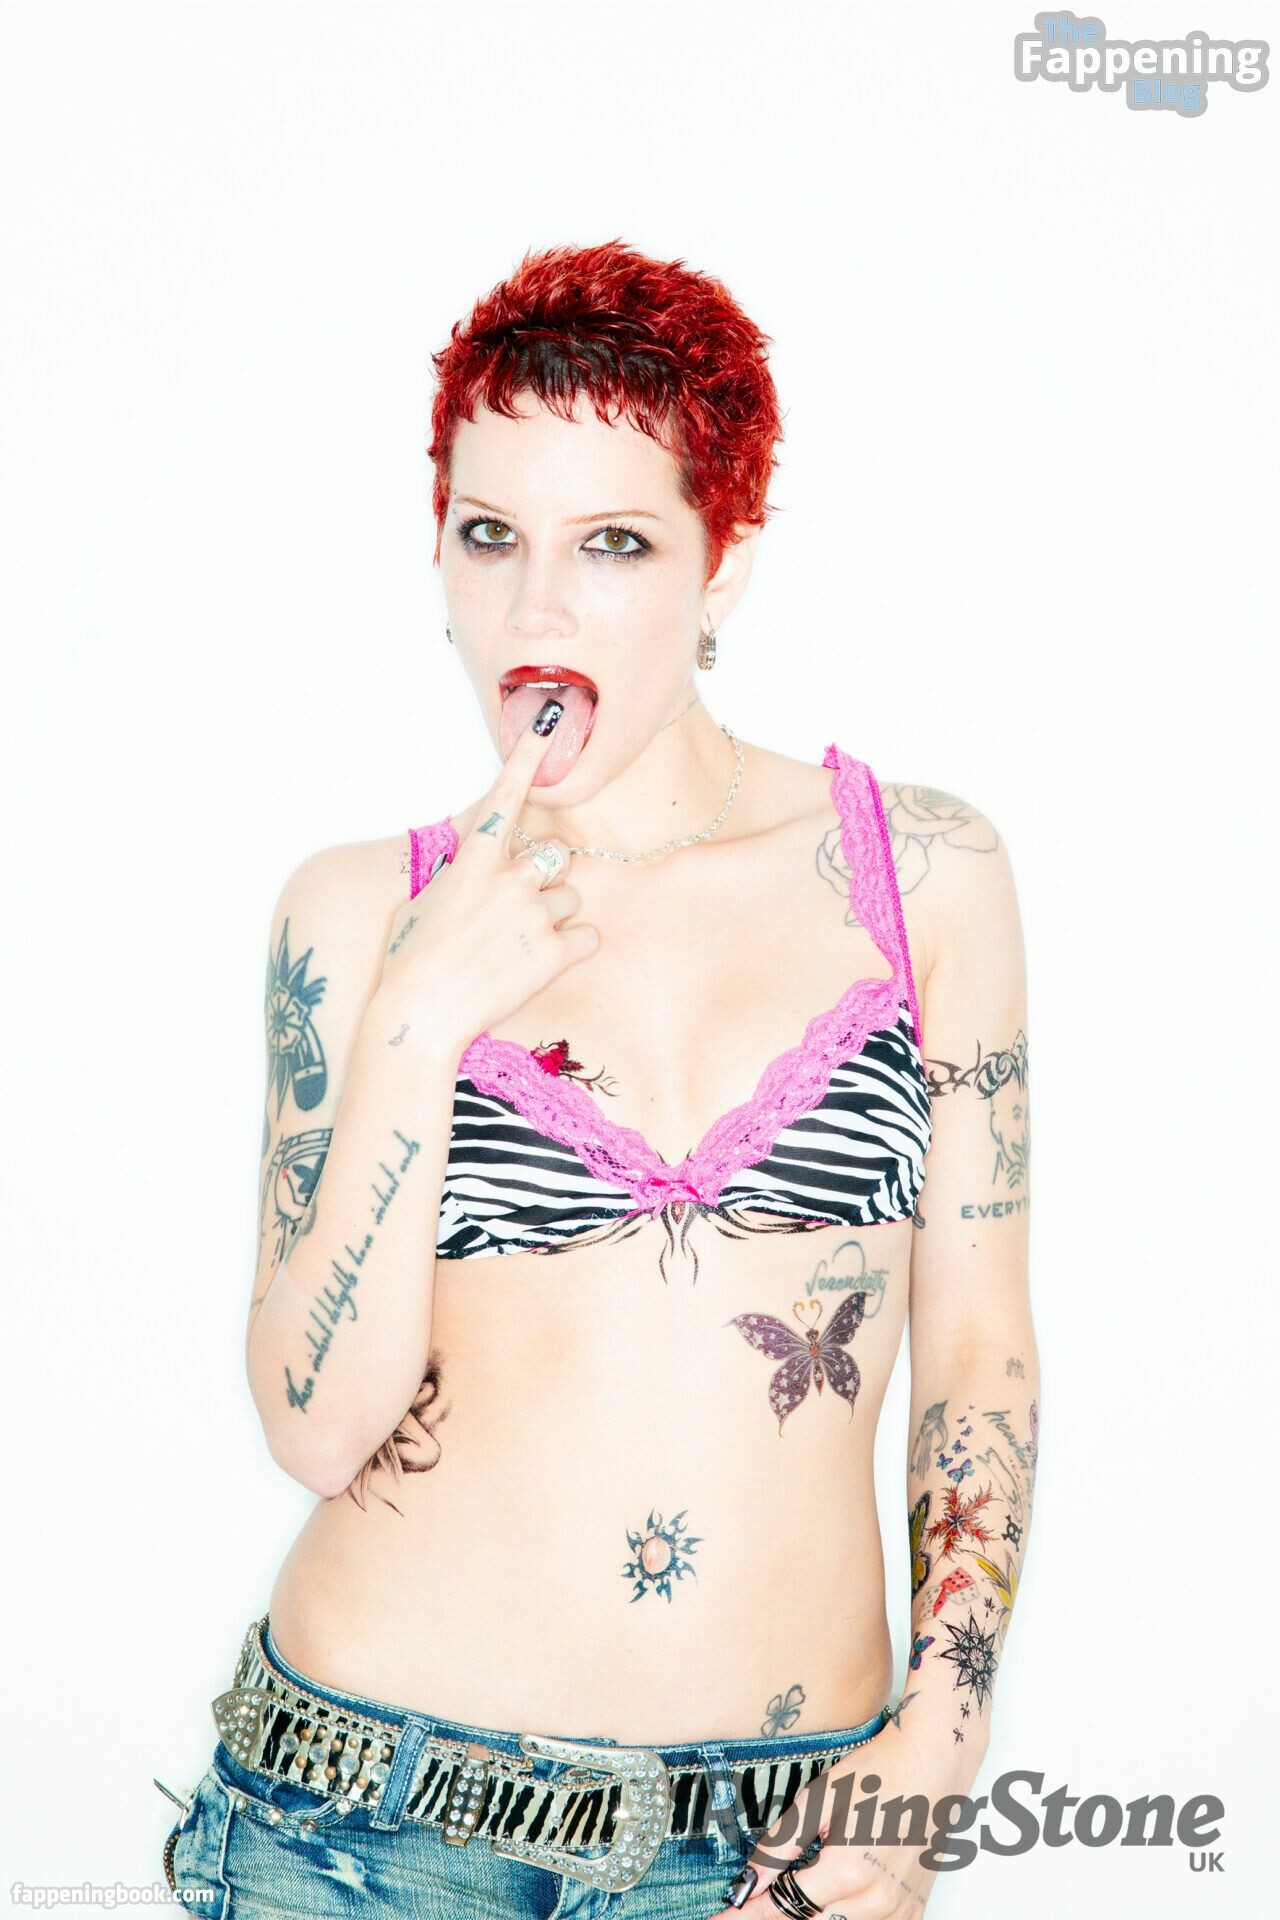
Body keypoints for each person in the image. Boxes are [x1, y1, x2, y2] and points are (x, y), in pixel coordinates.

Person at [161, 239, 1037, 1920]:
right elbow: (315, 1423)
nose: (537, 611)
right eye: (490, 536)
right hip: (367, 1830)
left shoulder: (924, 874)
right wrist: (415, 1023)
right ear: (437, 549)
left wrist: (941, 1737)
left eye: (613, 545)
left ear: (725, 566)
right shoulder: (357, 913)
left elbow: (980, 1345)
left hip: (781, 1833)